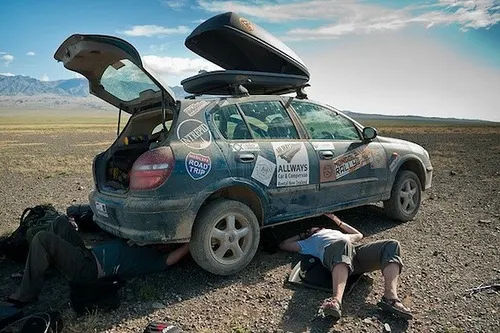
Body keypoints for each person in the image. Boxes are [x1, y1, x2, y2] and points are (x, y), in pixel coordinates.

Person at [6, 215, 190, 307]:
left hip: (89, 270)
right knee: (59, 222)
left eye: (168, 245)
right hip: (86, 255)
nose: (163, 244)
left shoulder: (152, 260)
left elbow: (171, 260)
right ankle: (42, 265)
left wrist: (190, 244)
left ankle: (26, 294)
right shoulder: (143, 242)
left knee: (43, 239)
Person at [279, 213, 412, 321]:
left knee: (392, 245)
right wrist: (304, 234)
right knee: (343, 243)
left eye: (319, 227)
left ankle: (390, 297)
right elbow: (283, 244)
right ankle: (336, 301)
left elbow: (359, 235)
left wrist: (339, 222)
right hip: (334, 256)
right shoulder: (309, 242)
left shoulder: (339, 234)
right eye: (313, 229)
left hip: (354, 254)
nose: (317, 228)